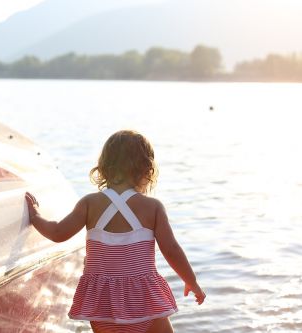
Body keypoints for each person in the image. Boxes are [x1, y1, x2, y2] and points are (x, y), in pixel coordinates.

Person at [25, 130, 205, 333]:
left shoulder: (89, 204)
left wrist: (35, 218)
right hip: (144, 300)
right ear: (147, 169)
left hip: (103, 304)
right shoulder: (152, 207)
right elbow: (171, 249)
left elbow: (58, 233)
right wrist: (191, 281)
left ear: (103, 167)